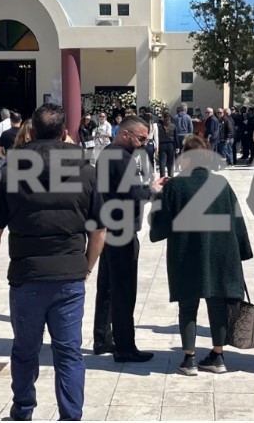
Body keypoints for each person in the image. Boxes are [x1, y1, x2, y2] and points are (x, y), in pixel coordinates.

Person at [0, 103, 106, 421]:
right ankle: (70, 416)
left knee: (25, 349)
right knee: (68, 352)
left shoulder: (14, 169)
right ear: (64, 133)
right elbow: (99, 230)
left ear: (32, 131)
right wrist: (86, 267)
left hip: (27, 275)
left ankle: (23, 410)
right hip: (69, 275)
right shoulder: (86, 170)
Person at [150, 135, 253, 375]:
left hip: (186, 254)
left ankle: (189, 359)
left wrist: (157, 194)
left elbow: (160, 227)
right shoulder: (221, 184)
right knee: (217, 304)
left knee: (188, 305)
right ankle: (218, 356)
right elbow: (237, 221)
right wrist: (242, 251)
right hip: (221, 255)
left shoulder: (175, 186)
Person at [93, 115, 168, 362]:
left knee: (107, 287)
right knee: (124, 290)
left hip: (108, 228)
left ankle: (102, 339)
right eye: (141, 138)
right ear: (125, 134)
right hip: (122, 231)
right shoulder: (122, 158)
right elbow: (134, 193)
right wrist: (154, 190)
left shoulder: (108, 154)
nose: (144, 143)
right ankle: (124, 347)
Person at [157, 111, 179, 178]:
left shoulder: (159, 126)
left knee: (162, 162)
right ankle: (170, 176)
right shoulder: (173, 126)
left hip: (162, 145)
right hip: (170, 145)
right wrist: (177, 146)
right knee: (170, 162)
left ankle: (162, 177)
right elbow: (176, 137)